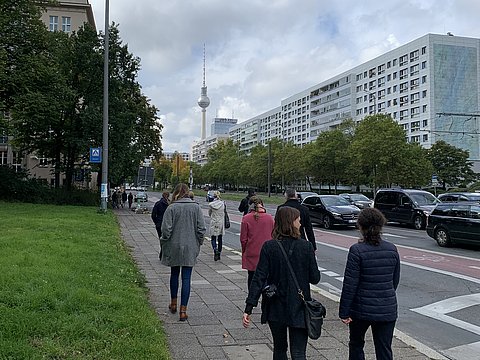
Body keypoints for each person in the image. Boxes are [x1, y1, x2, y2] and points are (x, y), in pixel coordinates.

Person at [243, 206, 321, 360]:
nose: (300, 223)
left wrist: (249, 307)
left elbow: (259, 278)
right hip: (299, 305)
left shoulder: (269, 246)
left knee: (279, 349)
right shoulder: (306, 247)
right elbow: (315, 278)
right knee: (299, 353)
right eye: (298, 220)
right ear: (291, 222)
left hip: (275, 305)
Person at [339, 207, 400, 360]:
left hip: (361, 309)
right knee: (384, 348)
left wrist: (344, 311)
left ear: (361, 226)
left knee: (356, 344)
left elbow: (350, 284)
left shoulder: (357, 250)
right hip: (387, 308)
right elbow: (394, 280)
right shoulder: (392, 249)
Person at [160, 183, 206, 321]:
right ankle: (183, 311)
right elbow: (201, 229)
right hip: (190, 246)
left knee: (174, 274)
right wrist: (198, 242)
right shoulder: (196, 208)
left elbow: (166, 230)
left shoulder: (171, 208)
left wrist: (164, 241)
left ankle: (173, 303)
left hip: (174, 246)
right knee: (186, 278)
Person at [240, 196, 275, 289]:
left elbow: (243, 239)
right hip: (267, 254)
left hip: (252, 253)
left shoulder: (246, 218)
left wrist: (245, 251)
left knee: (252, 278)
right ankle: (265, 301)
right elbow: (274, 236)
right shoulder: (270, 218)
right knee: (266, 280)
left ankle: (252, 300)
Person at [208, 191, 225, 261]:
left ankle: (215, 249)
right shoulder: (222, 204)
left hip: (214, 222)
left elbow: (209, 213)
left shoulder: (211, 204)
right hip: (221, 222)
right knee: (220, 238)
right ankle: (219, 253)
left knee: (213, 237)